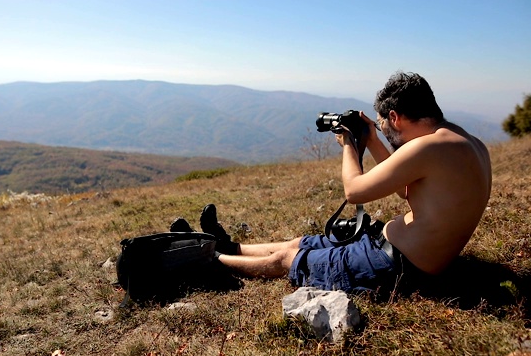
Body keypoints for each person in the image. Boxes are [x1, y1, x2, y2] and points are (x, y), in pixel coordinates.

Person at [198, 71, 492, 292]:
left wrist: (349, 145)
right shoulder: (464, 142)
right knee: (303, 242)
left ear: (395, 116)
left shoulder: (429, 147)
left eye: (383, 124)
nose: (384, 130)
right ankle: (229, 245)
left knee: (290, 259)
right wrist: (374, 141)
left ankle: (210, 259)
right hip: (401, 253)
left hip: (397, 267)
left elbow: (354, 192)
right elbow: (407, 189)